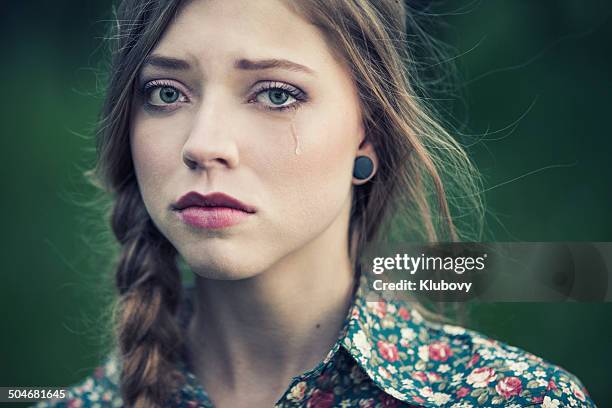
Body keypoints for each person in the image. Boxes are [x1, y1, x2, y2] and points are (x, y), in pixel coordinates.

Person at [36, 0, 596, 407]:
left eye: (276, 94)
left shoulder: (513, 399)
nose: (203, 143)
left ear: (367, 131)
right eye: (166, 93)